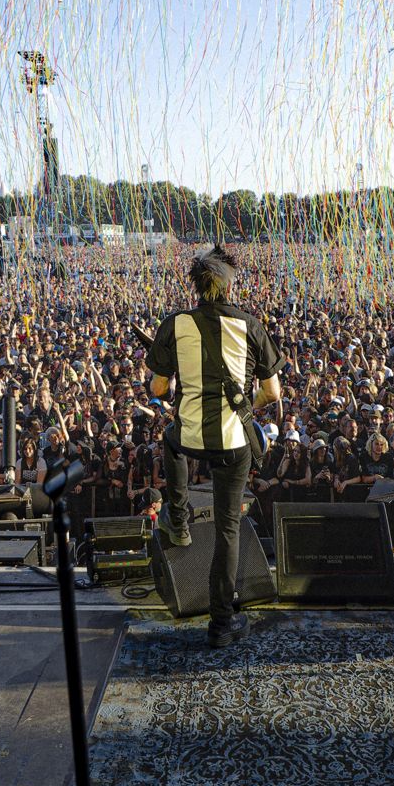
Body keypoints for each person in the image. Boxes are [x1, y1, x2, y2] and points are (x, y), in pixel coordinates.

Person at [146, 245, 282, 648]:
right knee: (228, 529)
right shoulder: (249, 325)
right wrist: (244, 407)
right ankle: (221, 623)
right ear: (228, 285)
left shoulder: (175, 324)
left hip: (189, 437)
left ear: (196, 285)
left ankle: (179, 517)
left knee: (169, 440)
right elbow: (272, 392)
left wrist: (175, 387)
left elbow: (157, 388)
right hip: (232, 444)